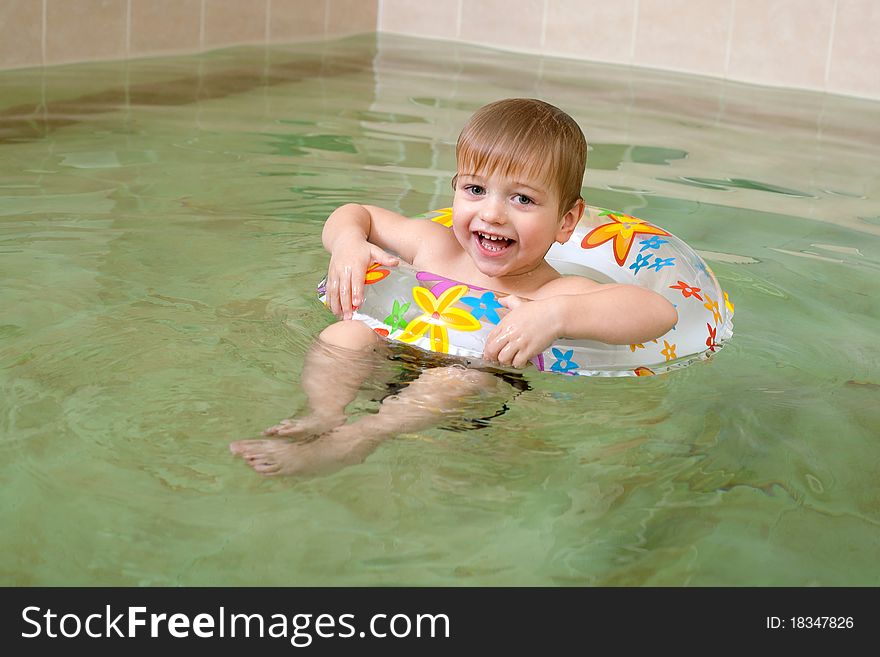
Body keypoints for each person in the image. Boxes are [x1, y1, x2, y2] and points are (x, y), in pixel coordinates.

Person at [230, 98, 677, 476]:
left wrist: (558, 316)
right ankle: (323, 414)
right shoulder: (435, 247)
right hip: (392, 359)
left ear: (566, 221)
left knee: (454, 377)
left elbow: (658, 313)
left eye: (522, 199)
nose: (494, 214)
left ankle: (357, 438)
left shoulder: (551, 294)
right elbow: (354, 212)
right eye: (476, 189)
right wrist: (348, 244)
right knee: (344, 334)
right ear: (455, 190)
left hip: (472, 394)